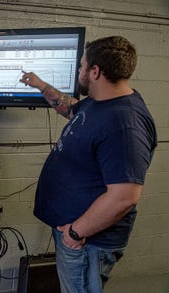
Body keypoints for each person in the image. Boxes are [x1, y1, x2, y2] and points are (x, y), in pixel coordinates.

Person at [20, 36, 157, 292]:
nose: (79, 71)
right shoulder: (100, 102)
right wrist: (40, 85)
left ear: (95, 71)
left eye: (82, 66)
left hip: (86, 242)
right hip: (76, 233)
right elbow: (73, 110)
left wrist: (75, 233)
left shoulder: (125, 124)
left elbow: (124, 197)